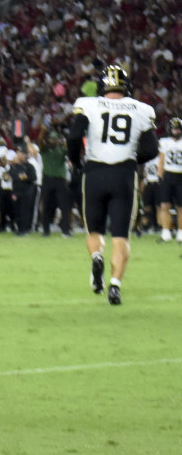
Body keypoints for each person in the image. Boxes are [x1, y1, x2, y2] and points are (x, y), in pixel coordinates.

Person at [67, 64, 158, 306]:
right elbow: (151, 149)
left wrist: (77, 163)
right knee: (121, 236)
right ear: (126, 86)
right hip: (124, 175)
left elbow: (74, 136)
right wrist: (130, 159)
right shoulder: (141, 109)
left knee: (93, 230)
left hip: (95, 171)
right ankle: (115, 286)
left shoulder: (88, 104)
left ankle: (97, 256)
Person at [156, 117, 182, 242]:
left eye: (178, 129)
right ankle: (165, 232)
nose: (176, 131)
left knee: (180, 207)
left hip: (180, 175)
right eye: (174, 129)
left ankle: (181, 233)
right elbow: (161, 160)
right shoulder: (164, 142)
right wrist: (159, 175)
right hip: (168, 175)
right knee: (164, 204)